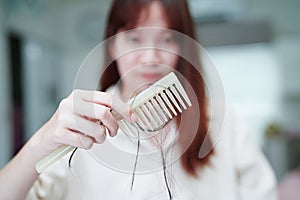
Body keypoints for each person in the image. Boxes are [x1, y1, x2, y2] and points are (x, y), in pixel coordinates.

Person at [0, 0, 278, 199]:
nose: (149, 56)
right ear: (113, 46)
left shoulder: (221, 121)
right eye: (134, 39)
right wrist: (39, 144)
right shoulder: (80, 128)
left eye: (167, 39)